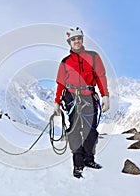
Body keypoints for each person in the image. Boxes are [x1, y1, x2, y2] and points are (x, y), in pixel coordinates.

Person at [54, 27, 110, 178]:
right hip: (71, 98)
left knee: (91, 131)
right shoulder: (65, 62)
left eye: (78, 38)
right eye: (73, 39)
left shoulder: (93, 57)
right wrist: (57, 102)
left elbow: (101, 76)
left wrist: (105, 95)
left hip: (89, 97)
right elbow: (60, 83)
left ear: (82, 40)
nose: (76, 41)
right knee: (74, 130)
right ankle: (78, 163)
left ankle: (89, 159)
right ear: (69, 42)